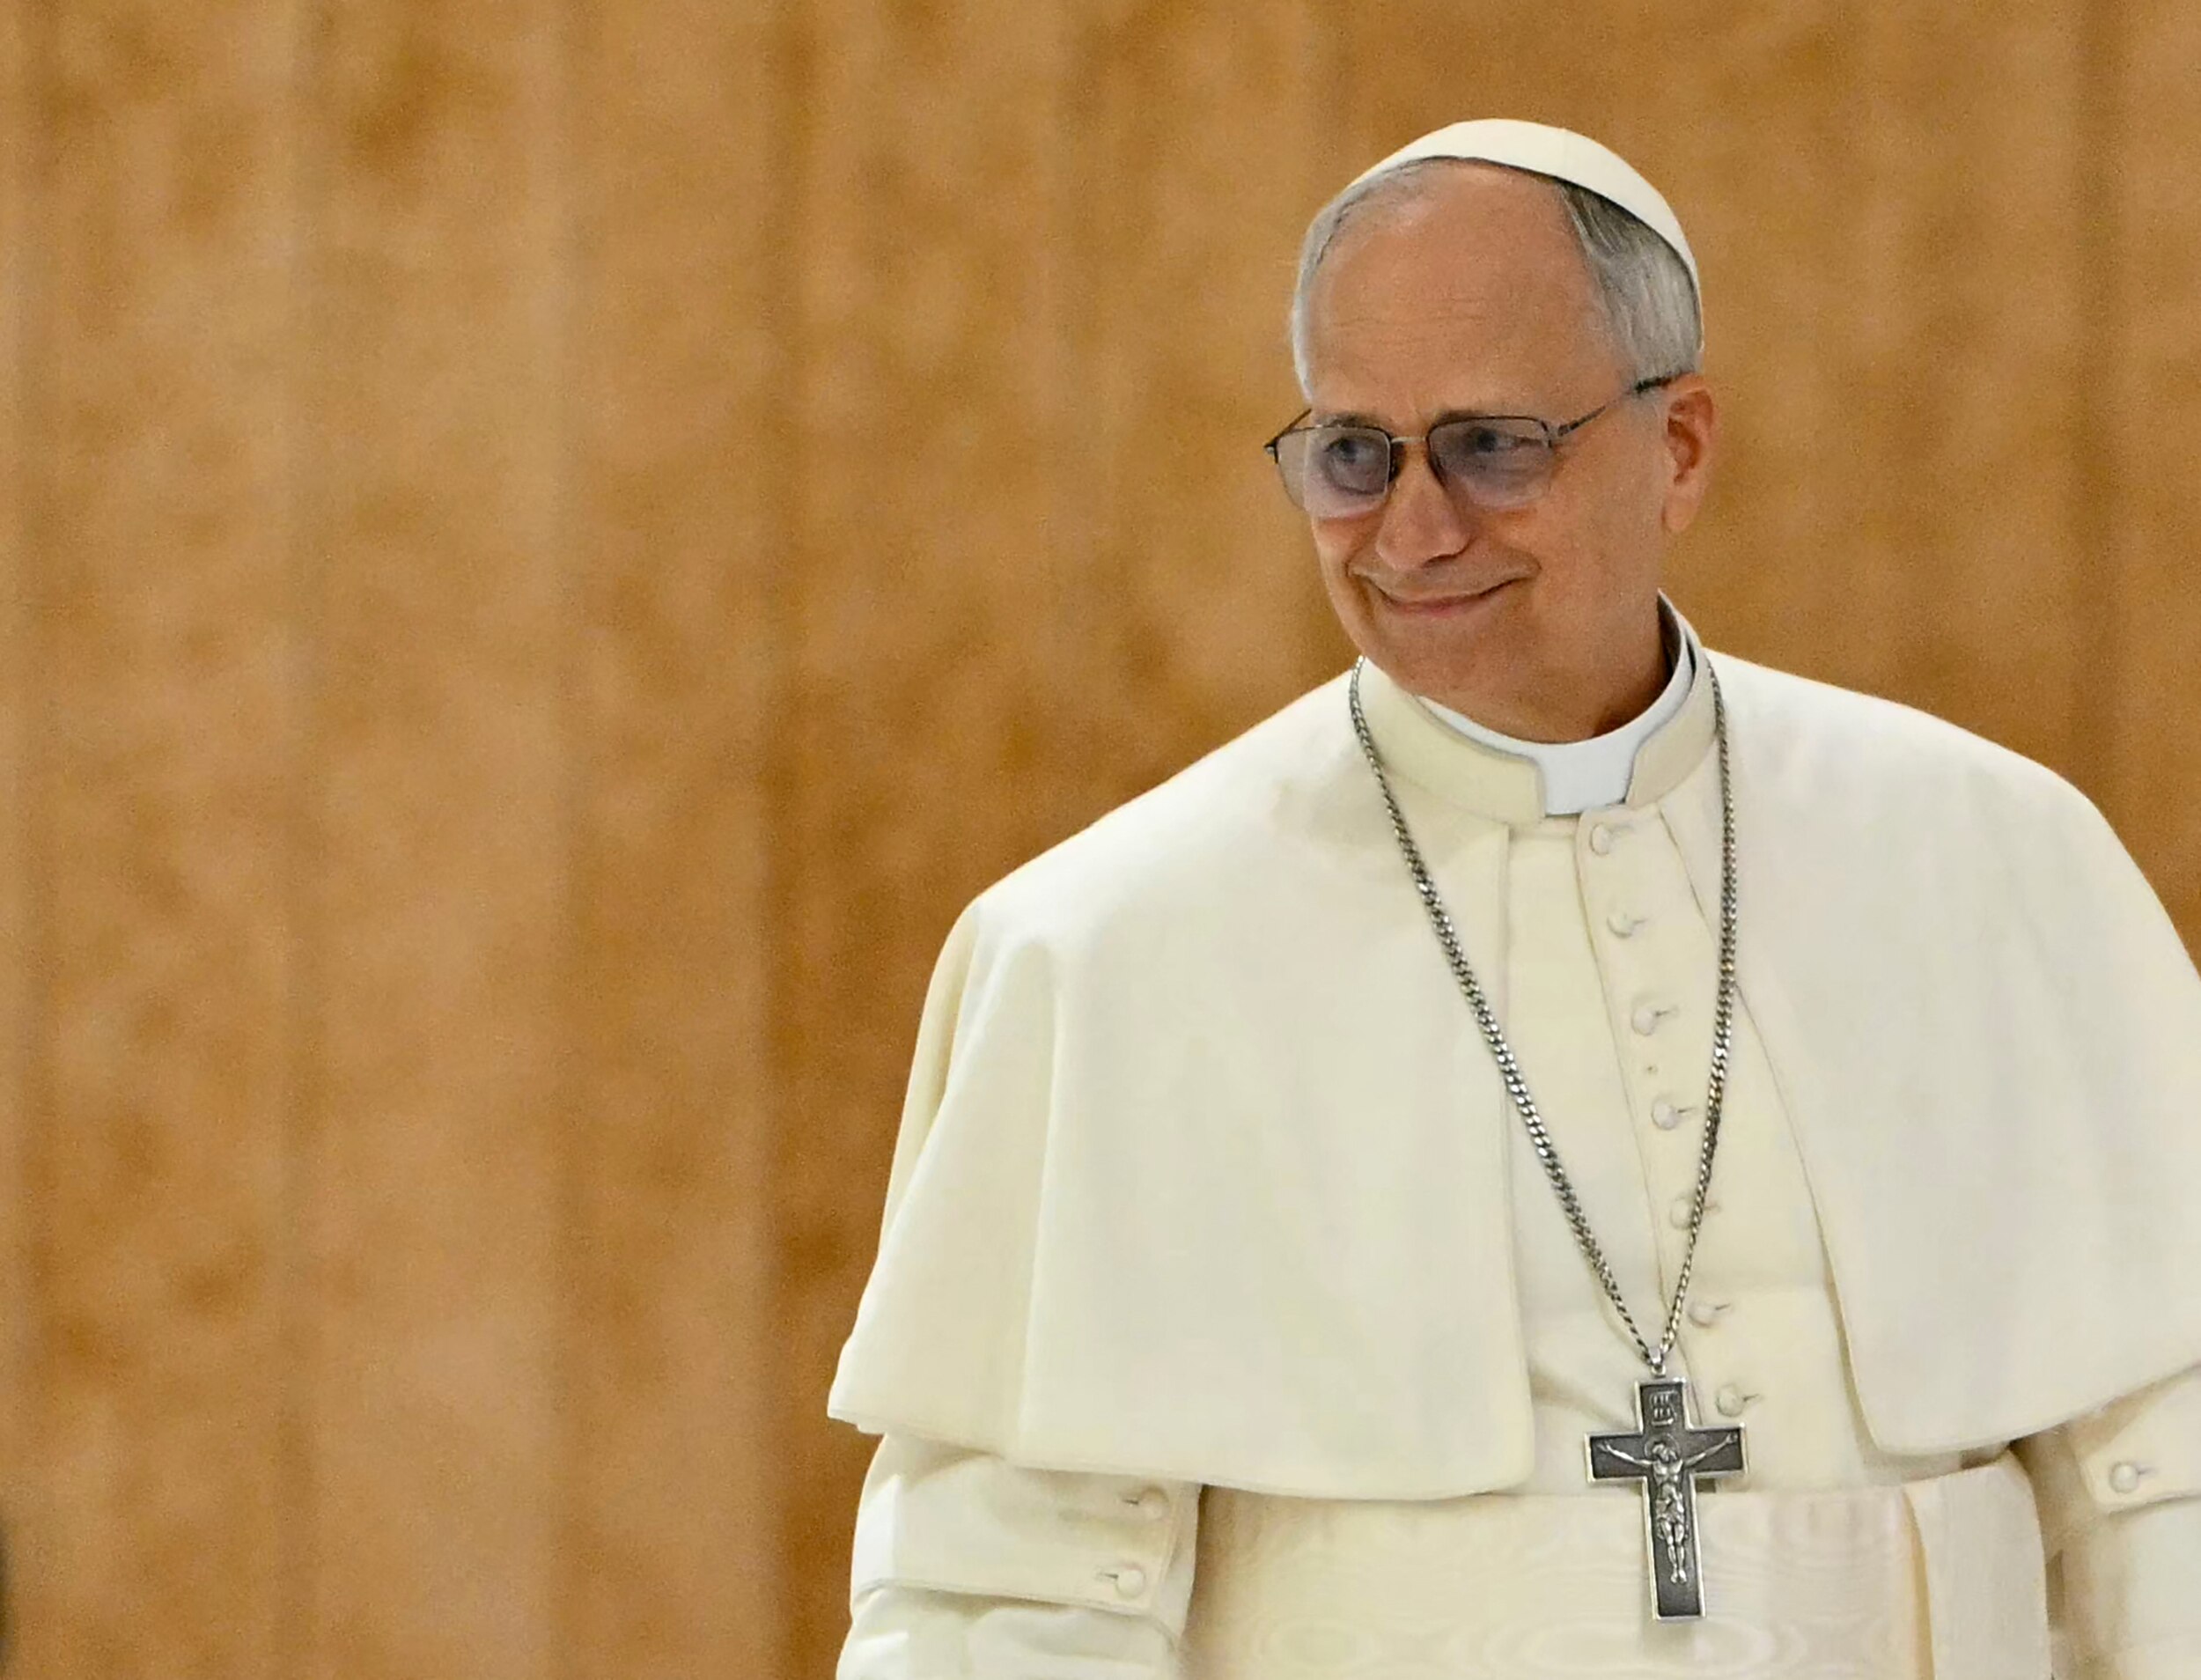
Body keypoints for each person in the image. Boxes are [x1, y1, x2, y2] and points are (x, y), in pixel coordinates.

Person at [825, 119, 2201, 1678]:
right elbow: (1004, 1597)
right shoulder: (1109, 947)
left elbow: (2160, 1486)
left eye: (1493, 446)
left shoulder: (1995, 857)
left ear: (1680, 448)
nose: (1414, 532)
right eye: (1355, 454)